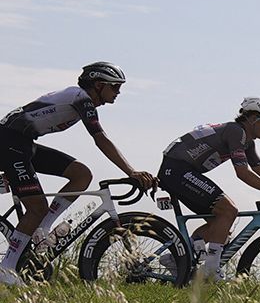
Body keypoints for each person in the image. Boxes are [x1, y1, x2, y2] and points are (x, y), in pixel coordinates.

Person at [1, 62, 155, 286]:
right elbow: (100, 139)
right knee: (37, 207)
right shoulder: (81, 99)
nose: (118, 93)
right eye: (115, 87)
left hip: (22, 143)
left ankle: (43, 226)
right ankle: (6, 267)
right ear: (98, 85)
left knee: (81, 174)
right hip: (9, 143)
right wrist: (131, 172)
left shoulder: (80, 98)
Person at [157, 98, 260, 280]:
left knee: (221, 225)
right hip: (177, 169)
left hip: (180, 170)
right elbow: (243, 173)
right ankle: (211, 271)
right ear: (254, 119)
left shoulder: (247, 141)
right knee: (228, 210)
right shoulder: (236, 132)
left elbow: (257, 167)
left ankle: (175, 259)